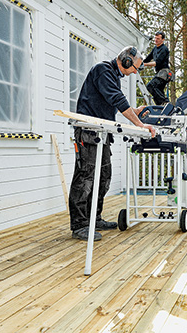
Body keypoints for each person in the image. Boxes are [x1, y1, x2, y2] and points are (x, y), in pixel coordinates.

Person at [69, 46, 156, 241]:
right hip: (88, 131)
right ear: (125, 61)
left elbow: (111, 103)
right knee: (86, 178)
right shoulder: (103, 70)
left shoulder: (113, 77)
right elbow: (117, 99)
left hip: (102, 132)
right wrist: (140, 124)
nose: (135, 72)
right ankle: (80, 225)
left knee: (103, 176)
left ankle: (94, 217)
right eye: (134, 68)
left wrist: (135, 110)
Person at [143, 31, 172, 105]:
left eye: (158, 39)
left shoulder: (164, 49)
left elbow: (157, 62)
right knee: (158, 92)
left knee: (151, 85)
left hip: (164, 73)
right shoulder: (155, 49)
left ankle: (165, 103)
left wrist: (144, 64)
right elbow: (148, 58)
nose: (156, 40)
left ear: (163, 40)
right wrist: (140, 63)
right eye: (155, 38)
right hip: (159, 73)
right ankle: (161, 107)